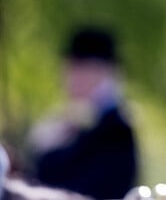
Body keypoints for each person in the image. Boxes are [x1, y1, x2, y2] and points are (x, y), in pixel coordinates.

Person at [26, 26, 137, 200]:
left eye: (76, 68)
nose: (69, 77)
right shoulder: (67, 123)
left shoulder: (115, 129)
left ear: (99, 71)